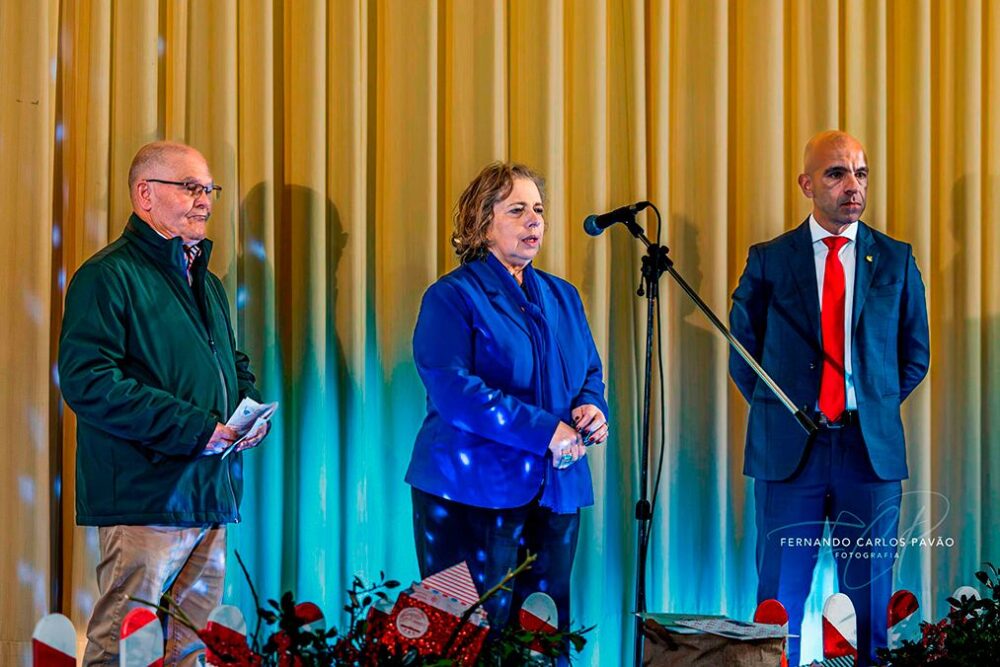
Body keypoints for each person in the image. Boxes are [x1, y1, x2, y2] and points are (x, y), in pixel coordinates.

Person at [59, 141, 269, 666]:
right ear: (145, 195)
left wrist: (248, 410)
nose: (205, 201)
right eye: (191, 187)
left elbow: (230, 363)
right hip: (146, 496)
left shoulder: (207, 282)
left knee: (189, 649)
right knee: (124, 646)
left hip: (208, 491)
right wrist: (196, 429)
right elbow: (88, 381)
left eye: (210, 190)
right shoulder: (107, 275)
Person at [729, 130, 930, 666]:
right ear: (807, 184)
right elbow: (743, 355)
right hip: (789, 452)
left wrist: (872, 406)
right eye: (837, 174)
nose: (852, 186)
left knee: (869, 599)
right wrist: (785, 415)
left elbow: (915, 354)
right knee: (778, 601)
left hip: (869, 454)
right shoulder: (770, 260)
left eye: (860, 174)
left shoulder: (895, 259)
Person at [406, 162, 609, 640]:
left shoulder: (563, 296)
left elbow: (589, 373)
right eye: (517, 210)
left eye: (538, 209)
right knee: (467, 640)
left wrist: (593, 407)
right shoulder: (451, 296)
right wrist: (546, 430)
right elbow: (455, 392)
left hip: (555, 490)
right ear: (482, 224)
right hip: (469, 491)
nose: (534, 220)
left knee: (542, 637)